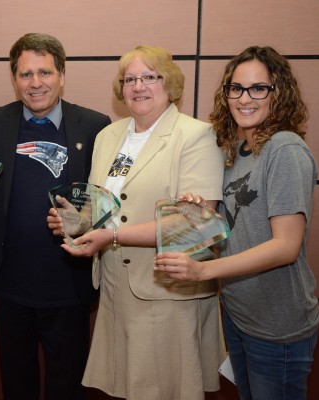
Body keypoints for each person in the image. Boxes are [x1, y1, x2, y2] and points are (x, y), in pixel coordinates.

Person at [48, 45, 226, 400]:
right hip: (116, 288)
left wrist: (110, 236)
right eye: (130, 79)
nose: (138, 86)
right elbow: (104, 206)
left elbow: (194, 226)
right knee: (129, 390)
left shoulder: (194, 136)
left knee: (166, 390)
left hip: (166, 289)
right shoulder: (109, 137)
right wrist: (77, 221)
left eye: (149, 77)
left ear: (170, 84)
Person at [155, 46, 319, 400]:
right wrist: (200, 217)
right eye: (236, 88)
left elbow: (285, 246)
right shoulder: (236, 151)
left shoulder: (285, 148)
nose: (245, 98)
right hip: (239, 314)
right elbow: (236, 232)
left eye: (259, 88)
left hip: (278, 326)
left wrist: (202, 273)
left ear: (280, 94)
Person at [0, 32, 111, 400]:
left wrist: (83, 219)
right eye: (25, 74)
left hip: (68, 281)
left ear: (62, 75)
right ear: (14, 78)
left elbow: (107, 202)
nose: (35, 83)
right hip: (11, 284)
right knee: (16, 378)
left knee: (66, 383)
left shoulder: (95, 125)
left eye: (45, 73)